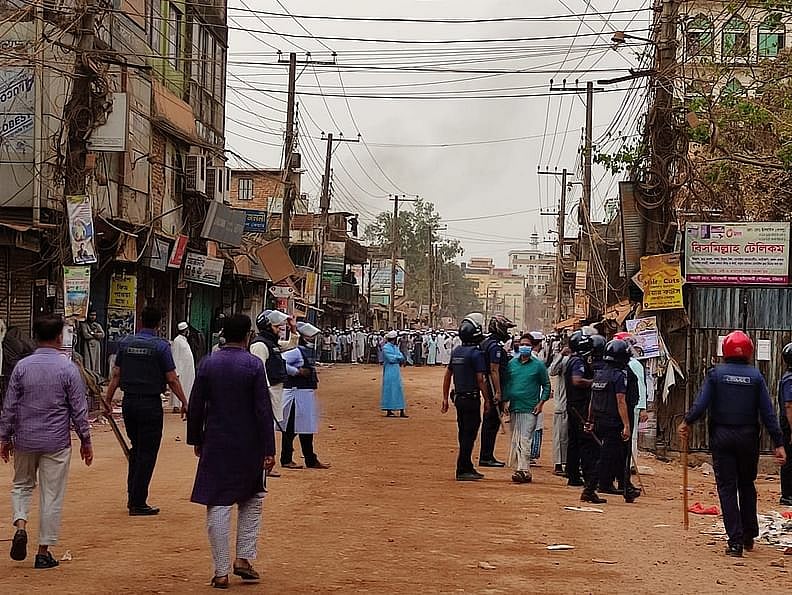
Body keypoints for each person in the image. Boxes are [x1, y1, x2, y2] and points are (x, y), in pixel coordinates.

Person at [187, 314, 276, 589]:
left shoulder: (208, 363)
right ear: (248, 335)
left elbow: (196, 405)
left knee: (218, 502)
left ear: (223, 334)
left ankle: (220, 570)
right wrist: (269, 448)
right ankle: (244, 559)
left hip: (216, 442)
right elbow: (263, 409)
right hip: (249, 444)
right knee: (252, 498)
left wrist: (196, 439)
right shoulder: (253, 365)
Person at [679, 331, 786, 557]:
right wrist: (778, 442)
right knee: (747, 484)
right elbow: (768, 413)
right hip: (748, 438)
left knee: (727, 488)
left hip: (722, 436)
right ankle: (749, 534)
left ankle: (735, 542)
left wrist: (687, 421)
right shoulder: (756, 377)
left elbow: (701, 403)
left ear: (724, 351)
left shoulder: (716, 375)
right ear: (749, 352)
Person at [0, 315, 93, 569]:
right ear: (59, 338)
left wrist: (4, 437)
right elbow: (78, 409)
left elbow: (9, 406)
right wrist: (86, 440)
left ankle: (20, 524)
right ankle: (42, 552)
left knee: (21, 485)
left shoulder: (22, 367)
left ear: (36, 337)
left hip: (24, 438)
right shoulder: (68, 368)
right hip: (56, 441)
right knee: (51, 495)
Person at [104, 306, 188, 516]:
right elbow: (172, 378)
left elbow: (116, 375)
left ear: (140, 321)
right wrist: (185, 402)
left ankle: (133, 495)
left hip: (129, 403)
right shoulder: (161, 346)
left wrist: (107, 400)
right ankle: (137, 501)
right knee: (147, 453)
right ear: (159, 323)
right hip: (150, 405)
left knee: (137, 449)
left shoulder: (126, 343)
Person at [442, 314, 489, 481]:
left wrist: (445, 398)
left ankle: (467, 465)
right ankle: (462, 469)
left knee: (463, 432)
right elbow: (480, 379)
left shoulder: (457, 352)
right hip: (471, 398)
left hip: (459, 398)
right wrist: (487, 400)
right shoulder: (476, 354)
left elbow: (448, 375)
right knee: (470, 433)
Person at [589, 340, 635, 504]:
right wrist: (626, 425)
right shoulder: (618, 375)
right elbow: (621, 401)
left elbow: (592, 400)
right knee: (606, 458)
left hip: (600, 420)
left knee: (612, 456)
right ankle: (589, 490)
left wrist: (591, 420)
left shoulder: (599, 373)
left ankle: (627, 489)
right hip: (612, 422)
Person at [280, 322, 330, 470]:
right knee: (291, 429)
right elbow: (281, 362)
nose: (312, 339)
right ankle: (287, 458)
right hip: (296, 394)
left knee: (306, 428)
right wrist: (296, 372)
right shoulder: (296, 351)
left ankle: (310, 459)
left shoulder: (304, 351)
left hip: (305, 394)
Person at [503, 334, 551, 483]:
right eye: (521, 344)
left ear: (532, 346)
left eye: (527, 344)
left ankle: (523, 469)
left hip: (530, 408)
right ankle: (521, 470)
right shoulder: (511, 364)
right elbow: (506, 383)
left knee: (525, 438)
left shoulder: (538, 365)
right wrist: (505, 401)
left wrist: (541, 403)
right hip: (514, 407)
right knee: (515, 439)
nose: (524, 346)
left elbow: (547, 385)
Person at [250, 310, 299, 445]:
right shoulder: (260, 345)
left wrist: (293, 328)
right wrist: (264, 395)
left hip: (275, 394)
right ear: (267, 327)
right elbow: (259, 373)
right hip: (266, 395)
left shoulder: (271, 344)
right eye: (276, 327)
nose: (279, 330)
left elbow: (292, 345)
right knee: (260, 432)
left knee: (268, 429)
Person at [479, 314, 516, 468]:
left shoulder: (486, 342)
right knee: (491, 422)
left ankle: (487, 455)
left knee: (490, 422)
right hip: (494, 387)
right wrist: (499, 392)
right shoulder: (495, 346)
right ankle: (486, 456)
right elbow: (494, 370)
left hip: (489, 385)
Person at [564, 330, 597, 494]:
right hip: (579, 406)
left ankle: (573, 474)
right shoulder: (578, 362)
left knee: (574, 441)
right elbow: (577, 381)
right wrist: (594, 382)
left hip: (573, 405)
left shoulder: (572, 359)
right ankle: (583, 476)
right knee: (584, 441)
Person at [549, 344, 571, 477]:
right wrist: (561, 355)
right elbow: (552, 371)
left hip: (576, 405)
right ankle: (559, 463)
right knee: (560, 435)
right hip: (562, 404)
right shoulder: (563, 360)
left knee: (570, 436)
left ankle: (569, 462)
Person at [381, 330, 407, 417]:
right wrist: (398, 358)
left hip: (396, 370)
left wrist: (398, 357)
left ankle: (401, 410)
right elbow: (391, 359)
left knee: (398, 388)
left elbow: (401, 356)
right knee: (389, 388)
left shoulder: (395, 347)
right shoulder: (385, 347)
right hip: (389, 370)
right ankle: (389, 410)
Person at [171, 322, 195, 414]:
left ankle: (184, 404)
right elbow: (175, 356)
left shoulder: (184, 340)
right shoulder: (177, 341)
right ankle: (177, 406)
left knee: (187, 387)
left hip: (187, 370)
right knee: (180, 386)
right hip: (181, 370)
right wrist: (176, 371)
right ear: (185, 331)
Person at [780, 342, 792, 506]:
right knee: (789, 459)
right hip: (789, 423)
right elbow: (789, 406)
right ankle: (787, 495)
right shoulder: (790, 379)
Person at [79, 309, 104, 375]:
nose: (93, 317)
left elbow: (102, 335)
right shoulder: (84, 324)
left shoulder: (97, 325)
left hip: (96, 345)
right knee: (88, 361)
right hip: (87, 345)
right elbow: (86, 335)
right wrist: (96, 334)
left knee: (96, 362)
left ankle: (96, 375)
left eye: (94, 315)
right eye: (91, 315)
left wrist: (92, 333)